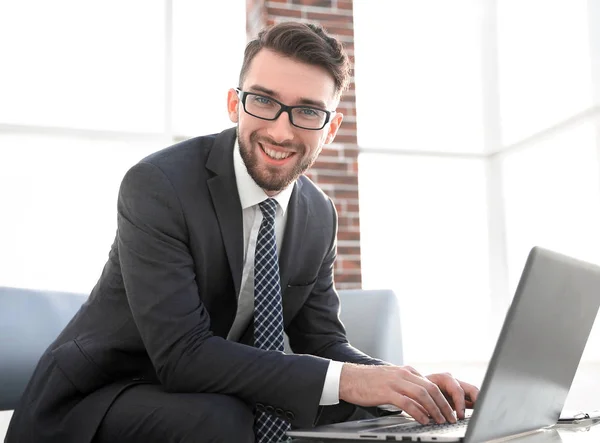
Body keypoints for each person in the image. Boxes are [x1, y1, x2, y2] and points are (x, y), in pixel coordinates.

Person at [6, 21, 479, 443]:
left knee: (360, 407)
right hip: (100, 397)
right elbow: (183, 355)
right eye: (264, 102)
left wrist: (403, 383)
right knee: (224, 418)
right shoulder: (159, 186)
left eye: (308, 112)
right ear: (236, 103)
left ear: (330, 129)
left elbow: (323, 341)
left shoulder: (318, 213)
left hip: (200, 392)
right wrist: (350, 379)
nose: (280, 130)